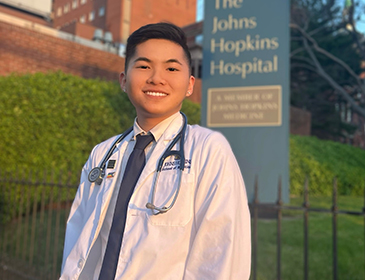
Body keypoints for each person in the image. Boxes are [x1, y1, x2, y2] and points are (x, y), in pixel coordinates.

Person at [60, 22, 251, 280]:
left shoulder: (208, 149)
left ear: (189, 84)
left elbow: (221, 253)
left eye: (171, 68)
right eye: (143, 66)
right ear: (124, 80)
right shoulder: (103, 153)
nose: (156, 78)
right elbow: (77, 241)